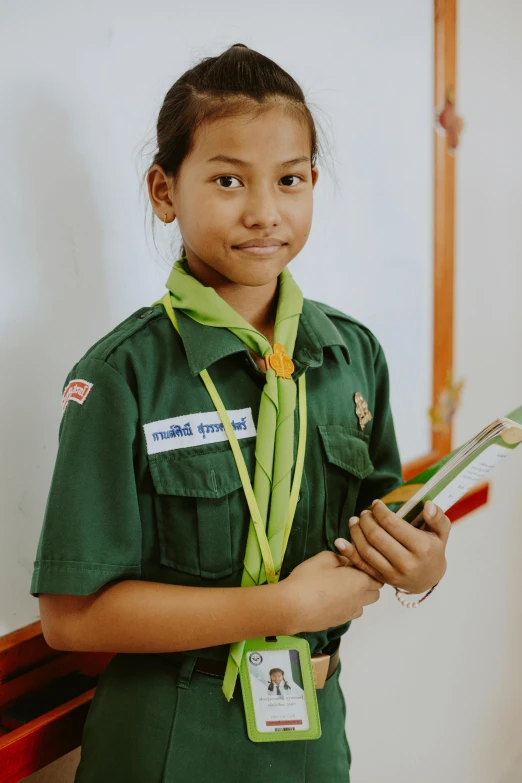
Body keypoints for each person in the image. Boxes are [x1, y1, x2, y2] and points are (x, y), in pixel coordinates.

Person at [30, 43, 450, 782]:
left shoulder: (350, 356)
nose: (264, 211)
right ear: (164, 190)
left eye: (289, 180)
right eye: (227, 180)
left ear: (313, 182)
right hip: (169, 736)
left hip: (311, 731)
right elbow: (71, 619)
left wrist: (422, 566)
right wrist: (280, 605)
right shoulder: (121, 374)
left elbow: (381, 532)